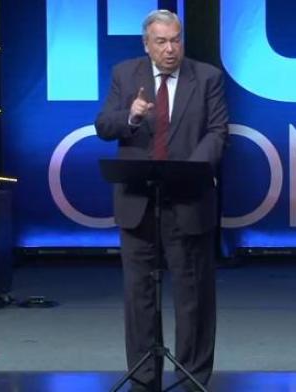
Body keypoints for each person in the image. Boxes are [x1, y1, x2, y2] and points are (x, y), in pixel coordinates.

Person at [95, 9, 228, 392]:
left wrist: (188, 171)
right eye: (162, 42)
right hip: (139, 203)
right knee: (139, 297)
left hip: (188, 200)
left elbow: (218, 132)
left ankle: (192, 378)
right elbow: (104, 125)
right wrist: (131, 117)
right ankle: (143, 378)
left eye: (176, 39)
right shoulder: (125, 74)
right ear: (146, 44)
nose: (171, 49)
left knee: (193, 297)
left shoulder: (207, 78)